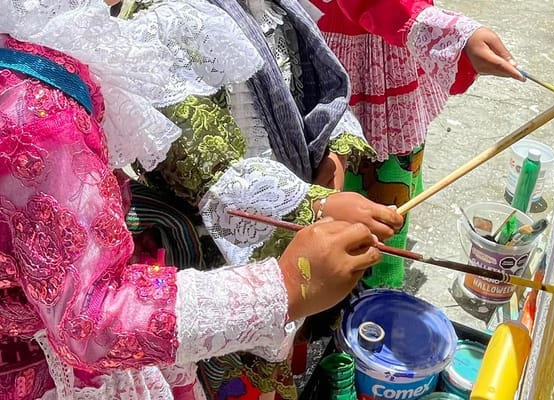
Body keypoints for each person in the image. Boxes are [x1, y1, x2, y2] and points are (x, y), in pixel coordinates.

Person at [0, 1, 400, 399]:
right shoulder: (43, 102)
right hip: (208, 273)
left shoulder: (46, 40)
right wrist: (287, 281)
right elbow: (202, 162)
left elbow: (312, 75)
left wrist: (333, 150)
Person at [301, 0, 525, 289]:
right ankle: (347, 285)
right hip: (348, 33)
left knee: (392, 174)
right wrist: (446, 31)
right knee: (338, 174)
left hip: (395, 36)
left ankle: (378, 287)